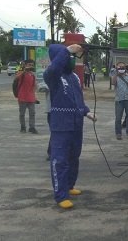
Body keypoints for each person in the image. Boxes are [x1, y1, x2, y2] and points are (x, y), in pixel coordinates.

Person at [44, 44, 97, 209]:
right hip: (61, 124)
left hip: (76, 124)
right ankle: (61, 195)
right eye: (69, 57)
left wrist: (86, 112)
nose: (71, 60)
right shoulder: (52, 76)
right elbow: (54, 69)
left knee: (74, 156)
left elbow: (78, 99)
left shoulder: (74, 77)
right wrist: (66, 51)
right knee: (60, 160)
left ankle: (70, 185)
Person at [112, 62, 128, 140]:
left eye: (123, 68)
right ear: (117, 69)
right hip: (119, 100)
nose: (121, 69)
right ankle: (118, 133)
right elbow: (113, 83)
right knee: (118, 118)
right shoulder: (115, 77)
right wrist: (116, 74)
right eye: (119, 68)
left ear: (125, 68)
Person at [16, 59, 38, 134]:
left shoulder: (32, 75)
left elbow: (33, 87)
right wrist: (24, 69)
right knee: (22, 114)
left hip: (31, 98)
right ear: (25, 65)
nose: (30, 66)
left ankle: (32, 127)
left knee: (32, 113)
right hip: (22, 97)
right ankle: (23, 127)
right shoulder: (21, 73)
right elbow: (17, 77)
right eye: (29, 65)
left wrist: (35, 97)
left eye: (32, 65)